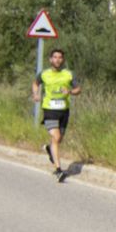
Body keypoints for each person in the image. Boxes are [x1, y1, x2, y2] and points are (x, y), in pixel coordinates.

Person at [31, 48, 82, 182]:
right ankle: (59, 170)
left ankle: (49, 149)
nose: (57, 60)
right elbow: (35, 83)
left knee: (58, 140)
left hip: (64, 111)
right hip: (49, 109)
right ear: (50, 59)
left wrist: (70, 91)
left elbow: (78, 89)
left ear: (63, 60)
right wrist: (36, 94)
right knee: (56, 136)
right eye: (55, 57)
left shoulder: (68, 74)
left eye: (60, 57)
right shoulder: (44, 74)